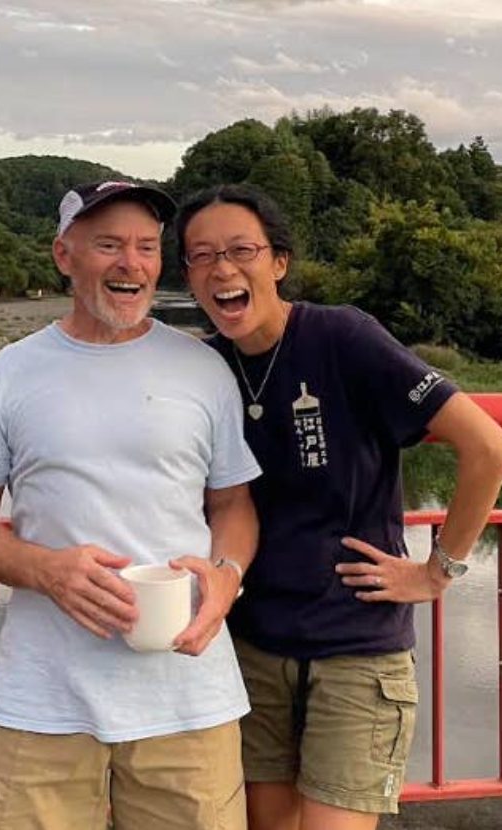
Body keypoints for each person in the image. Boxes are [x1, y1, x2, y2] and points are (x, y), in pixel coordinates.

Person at [0, 179, 262, 830]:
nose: (130, 263)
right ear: (64, 254)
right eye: (108, 244)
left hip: (188, 693)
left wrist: (225, 579)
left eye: (146, 247)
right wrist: (46, 570)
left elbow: (232, 505)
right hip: (42, 696)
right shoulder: (9, 372)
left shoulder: (202, 369)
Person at [175, 183, 502, 830]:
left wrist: (438, 571)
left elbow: (486, 446)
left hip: (356, 647)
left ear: (279, 262)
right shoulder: (204, 366)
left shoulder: (341, 336)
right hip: (252, 648)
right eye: (201, 254)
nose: (222, 268)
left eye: (241, 249)